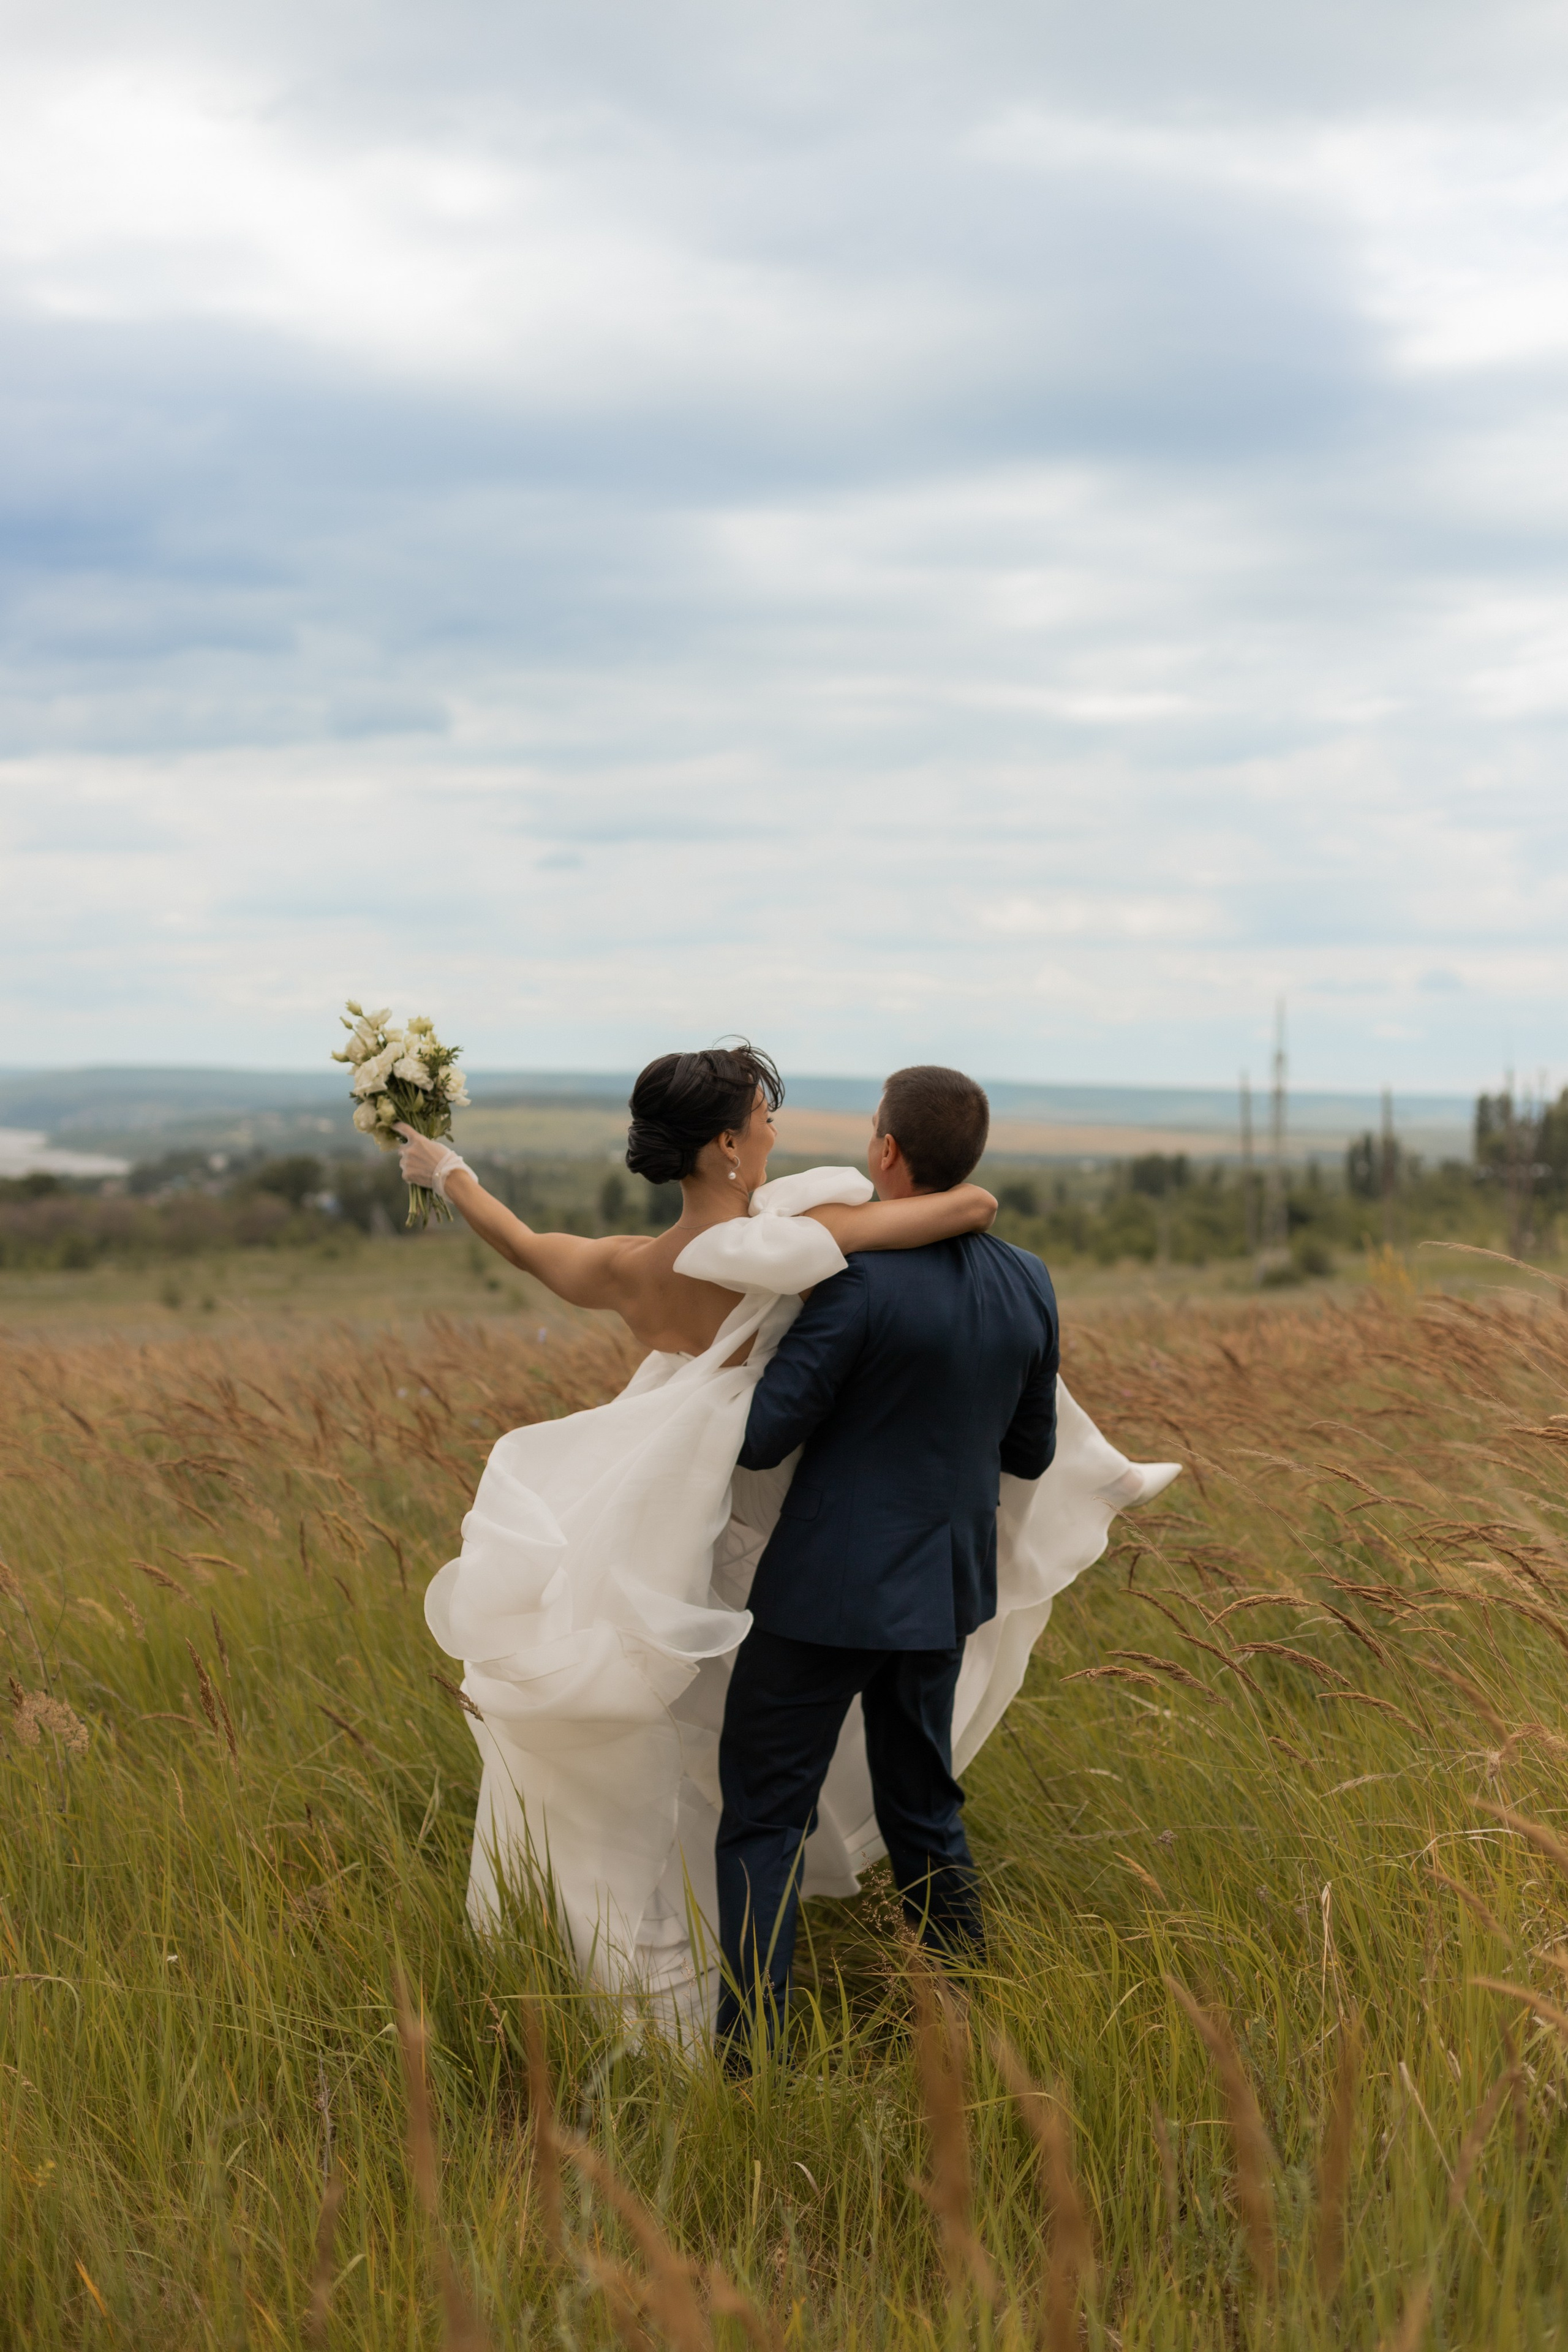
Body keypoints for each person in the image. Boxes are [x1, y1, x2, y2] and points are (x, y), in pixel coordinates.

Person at [396, 1046, 1178, 2037]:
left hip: (746, 1563)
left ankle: (749, 2036)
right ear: (727, 1144)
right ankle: (969, 2008)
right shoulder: (831, 1251)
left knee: (745, 1802)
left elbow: (530, 1247)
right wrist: (970, 1206)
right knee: (916, 1807)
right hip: (901, 1574)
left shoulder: (660, 1267)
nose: (776, 1129)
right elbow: (962, 1237)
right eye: (763, 1118)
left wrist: (449, 1172)